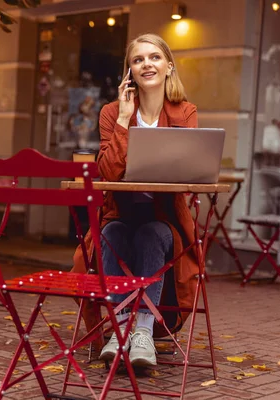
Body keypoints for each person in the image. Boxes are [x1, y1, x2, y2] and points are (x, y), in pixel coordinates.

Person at [71, 33, 200, 367]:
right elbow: (109, 173)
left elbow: (185, 174)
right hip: (119, 212)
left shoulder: (184, 112)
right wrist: (125, 120)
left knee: (149, 234)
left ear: (168, 66)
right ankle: (119, 327)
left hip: (164, 216)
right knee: (111, 236)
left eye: (155, 57)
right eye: (138, 59)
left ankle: (141, 330)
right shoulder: (112, 112)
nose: (147, 64)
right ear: (129, 70)